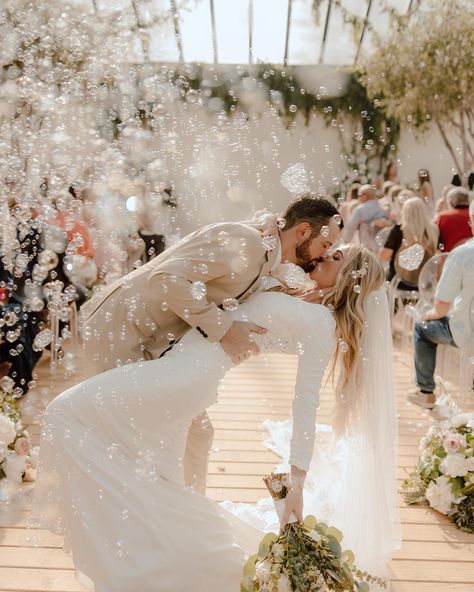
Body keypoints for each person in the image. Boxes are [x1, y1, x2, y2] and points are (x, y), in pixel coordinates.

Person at [32, 246, 398, 591]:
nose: (322, 257)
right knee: (162, 481)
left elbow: (305, 404)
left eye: (335, 257)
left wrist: (297, 481)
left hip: (184, 378)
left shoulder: (322, 324)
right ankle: (169, 568)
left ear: (348, 278)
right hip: (182, 373)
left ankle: (143, 559)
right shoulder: (305, 298)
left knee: (65, 413)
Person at [80, 195, 342, 494]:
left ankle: (190, 516)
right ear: (303, 231)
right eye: (325, 245)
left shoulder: (267, 255)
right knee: (121, 441)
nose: (323, 255)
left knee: (198, 433)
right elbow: (163, 279)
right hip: (122, 329)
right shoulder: (246, 241)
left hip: (154, 342)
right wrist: (225, 329)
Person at [409, 199, 474, 409]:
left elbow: (442, 304)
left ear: (472, 221)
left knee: (422, 327)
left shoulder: (462, 254)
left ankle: (425, 391)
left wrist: (434, 313)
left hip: (467, 332)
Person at [379, 197, 439, 289]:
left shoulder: (398, 230)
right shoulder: (433, 231)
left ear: (405, 212)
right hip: (425, 281)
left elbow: (384, 256)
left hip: (399, 282)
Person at [342, 184, 388, 252]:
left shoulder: (360, 209)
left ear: (366, 195)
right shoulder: (383, 208)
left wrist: (345, 243)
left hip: (366, 248)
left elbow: (351, 228)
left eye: (359, 196)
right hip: (381, 248)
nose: (358, 198)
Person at [436, 187, 471, 252]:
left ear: (451, 203)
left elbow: (436, 241)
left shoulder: (443, 217)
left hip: (450, 258)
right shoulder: (471, 215)